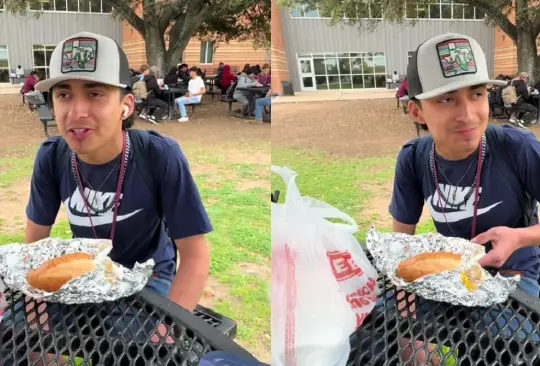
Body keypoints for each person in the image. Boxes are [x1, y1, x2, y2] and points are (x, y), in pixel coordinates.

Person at [9, 32, 212, 363]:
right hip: (84, 274)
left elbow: (195, 257)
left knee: (126, 356)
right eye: (63, 94)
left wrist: (168, 326)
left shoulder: (159, 157)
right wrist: (35, 321)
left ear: (125, 106)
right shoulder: (51, 156)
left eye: (95, 93)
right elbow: (33, 251)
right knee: (19, 345)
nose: (76, 111)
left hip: (146, 276)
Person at [386, 32, 540, 364]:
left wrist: (520, 237)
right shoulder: (413, 158)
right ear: (416, 112)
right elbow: (402, 236)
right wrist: (403, 288)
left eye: (477, 94)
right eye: (446, 99)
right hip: (448, 276)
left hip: (513, 278)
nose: (468, 114)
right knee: (407, 346)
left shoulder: (517, 148)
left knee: (494, 350)